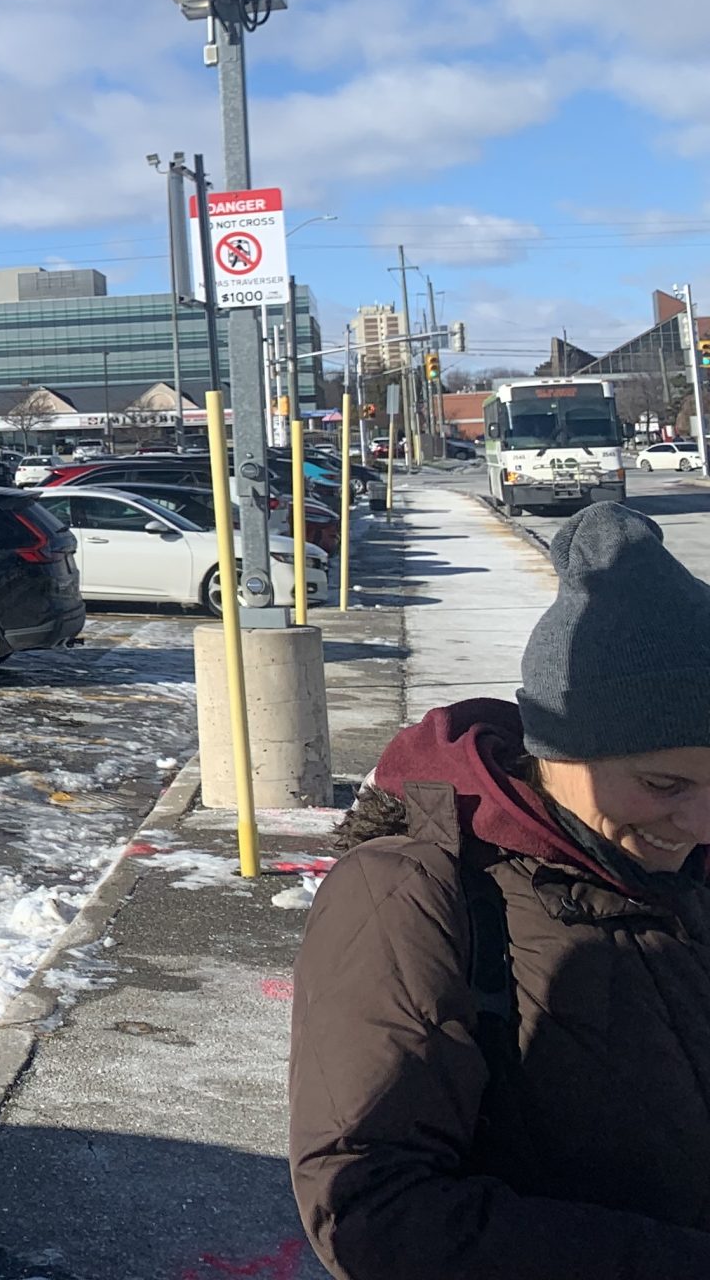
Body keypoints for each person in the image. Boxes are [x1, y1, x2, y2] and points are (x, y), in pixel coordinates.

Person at [288, 501, 710, 1276]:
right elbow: (374, 1208)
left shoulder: (679, 865)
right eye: (663, 783)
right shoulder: (417, 893)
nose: (702, 822)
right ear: (558, 752)